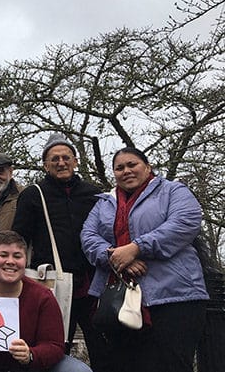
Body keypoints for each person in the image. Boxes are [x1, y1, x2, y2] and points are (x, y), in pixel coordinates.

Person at [81, 147, 208, 372]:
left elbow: (184, 223)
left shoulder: (173, 191)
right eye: (119, 168)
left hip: (173, 298)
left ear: (148, 167)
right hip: (119, 303)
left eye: (132, 164)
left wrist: (137, 248)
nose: (126, 171)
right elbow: (88, 236)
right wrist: (116, 256)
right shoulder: (104, 203)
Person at [11, 133, 107, 370]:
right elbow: (18, 239)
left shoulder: (93, 194)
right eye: (54, 159)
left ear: (75, 161)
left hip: (91, 285)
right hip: (52, 285)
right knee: (54, 349)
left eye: (66, 157)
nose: (61, 163)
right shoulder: (33, 195)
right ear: (45, 165)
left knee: (104, 348)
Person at [0, 231, 92, 372]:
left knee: (77, 370)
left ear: (26, 261)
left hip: (30, 368)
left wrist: (31, 355)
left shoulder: (43, 297)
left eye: (17, 256)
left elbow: (55, 345)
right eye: (3, 255)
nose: (10, 261)